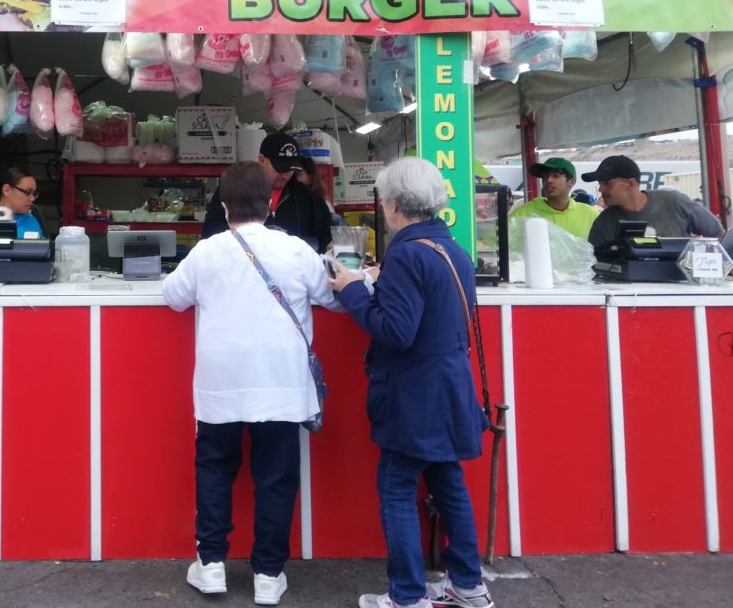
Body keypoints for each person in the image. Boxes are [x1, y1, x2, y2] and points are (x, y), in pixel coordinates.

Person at [162, 161, 338, 607]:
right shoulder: (296, 250)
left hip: (221, 384)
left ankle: (213, 565)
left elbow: (173, 296)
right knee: (276, 480)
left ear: (223, 205)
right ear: (270, 201)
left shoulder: (207, 251)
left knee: (215, 470)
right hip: (280, 384)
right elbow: (330, 295)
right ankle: (267, 573)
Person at [328, 157, 494, 608]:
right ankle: (468, 584)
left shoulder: (406, 251)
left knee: (398, 489)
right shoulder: (451, 248)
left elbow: (396, 331)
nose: (383, 207)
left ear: (395, 203)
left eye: (383, 200)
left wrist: (355, 290)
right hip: (449, 386)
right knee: (448, 482)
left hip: (413, 392)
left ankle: (406, 595)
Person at [202, 132, 332, 253]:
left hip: (292, 271)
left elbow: (326, 237)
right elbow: (211, 231)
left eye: (290, 169)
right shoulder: (236, 189)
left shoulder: (307, 196)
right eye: (280, 169)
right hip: (243, 267)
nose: (286, 175)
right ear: (262, 160)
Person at [583, 155, 723, 249]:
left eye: (607, 183)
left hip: (683, 290)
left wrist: (727, 264)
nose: (601, 189)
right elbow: (594, 263)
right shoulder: (604, 222)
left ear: (631, 184)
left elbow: (718, 234)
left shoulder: (674, 202)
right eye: (600, 183)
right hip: (629, 293)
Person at [509, 157, 599, 240]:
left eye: (556, 176)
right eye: (545, 177)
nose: (548, 180)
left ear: (571, 182)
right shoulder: (523, 213)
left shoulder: (590, 214)